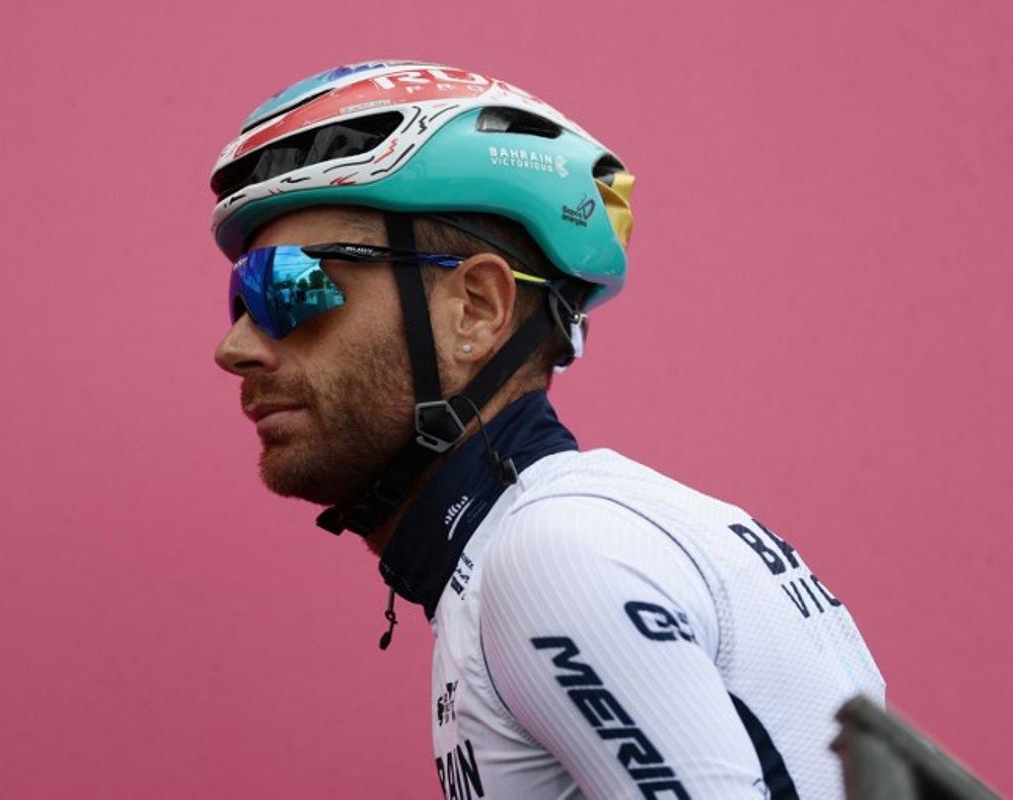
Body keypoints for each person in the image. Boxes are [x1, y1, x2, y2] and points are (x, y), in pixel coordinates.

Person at [210, 61, 885, 799]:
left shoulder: (553, 558)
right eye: (240, 298)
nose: (235, 346)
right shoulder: (561, 538)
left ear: (476, 309)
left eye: (289, 285)